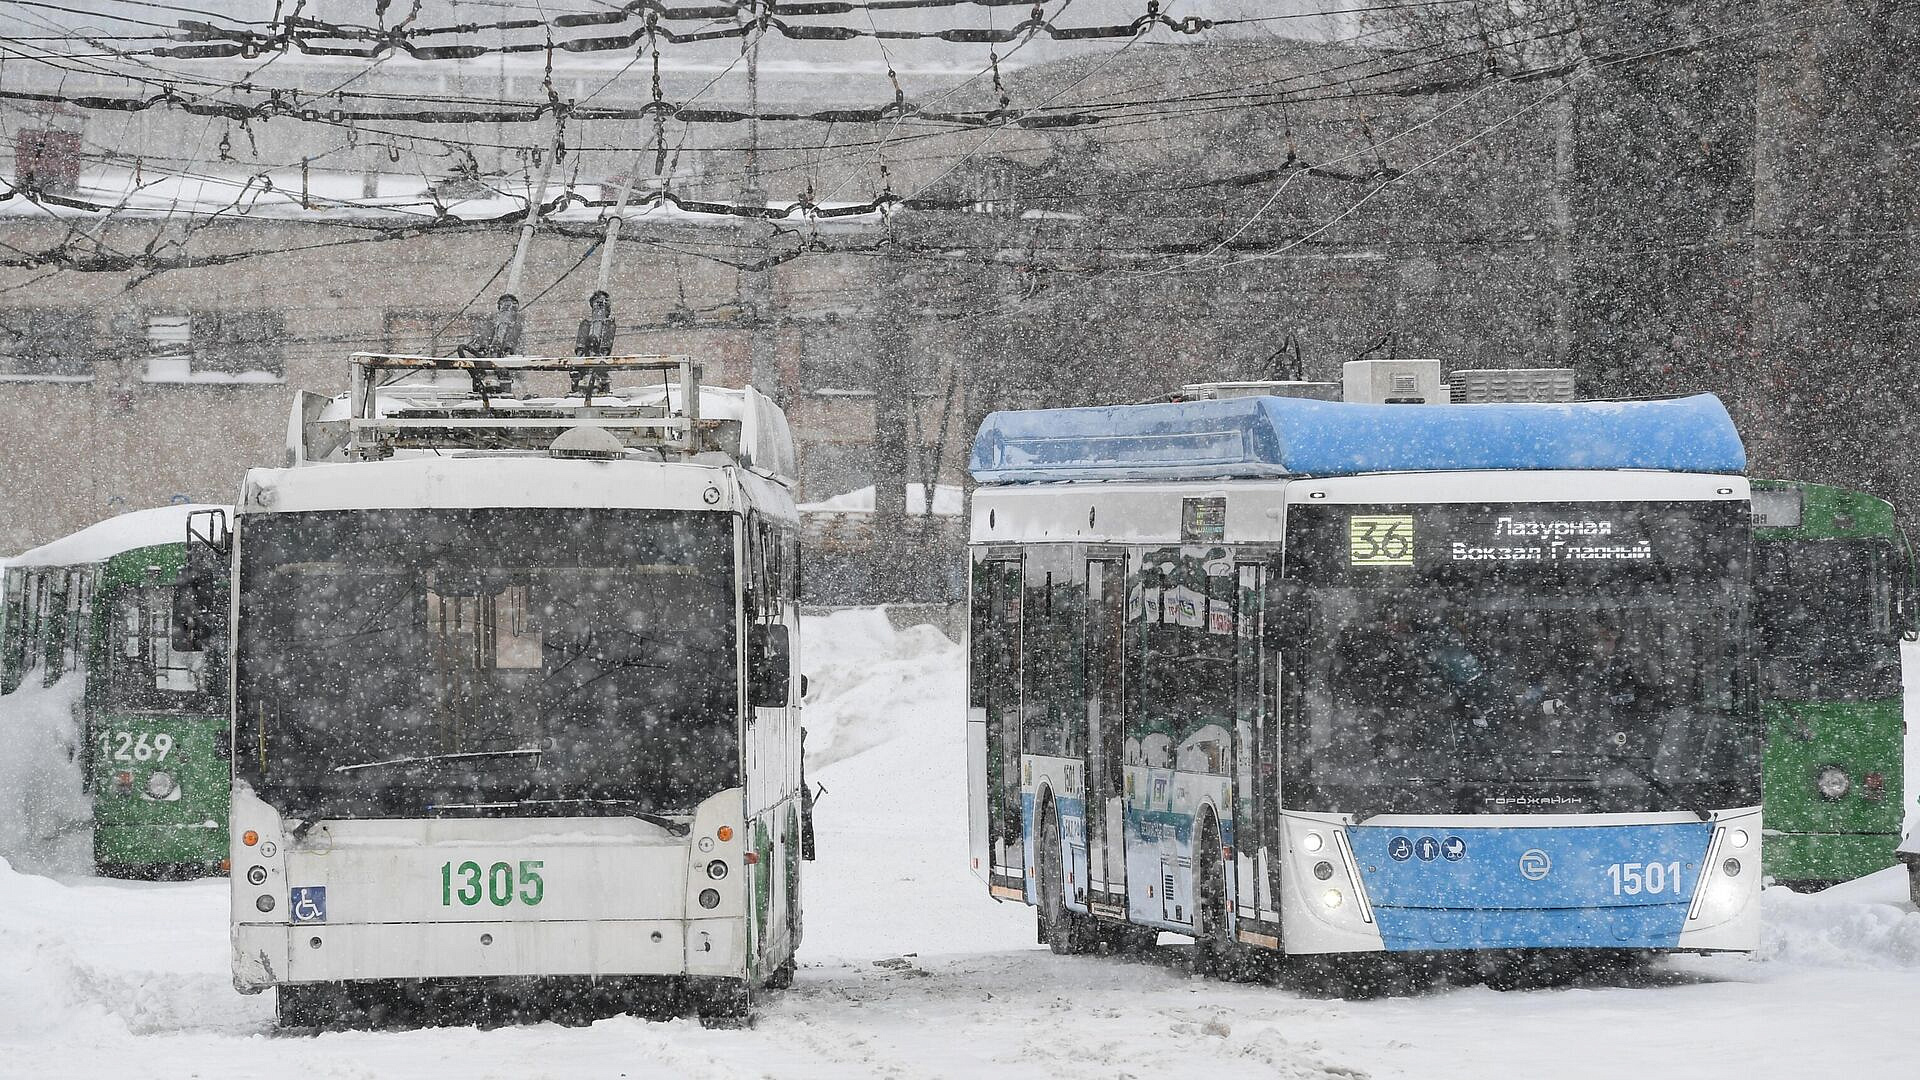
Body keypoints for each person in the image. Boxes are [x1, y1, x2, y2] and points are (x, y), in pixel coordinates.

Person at [571, 290, 616, 399]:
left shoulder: (608, 325)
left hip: (595, 369)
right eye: (598, 302)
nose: (599, 306)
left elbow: (605, 347)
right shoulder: (586, 325)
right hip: (587, 369)